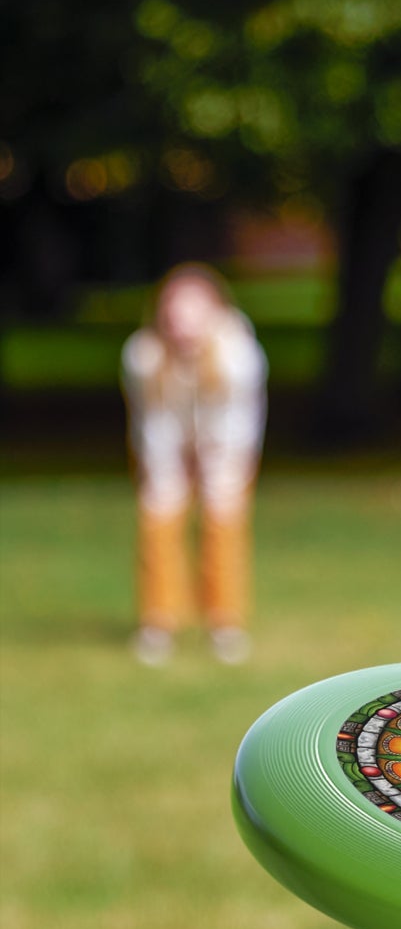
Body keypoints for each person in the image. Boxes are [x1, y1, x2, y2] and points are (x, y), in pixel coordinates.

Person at [122, 263, 268, 666]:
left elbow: (239, 421)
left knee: (223, 522)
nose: (182, 323)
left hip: (226, 446)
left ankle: (225, 623)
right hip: (165, 445)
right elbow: (152, 421)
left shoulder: (238, 355)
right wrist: (166, 471)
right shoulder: (143, 355)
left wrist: (216, 464)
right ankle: (158, 623)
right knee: (158, 518)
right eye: (174, 312)